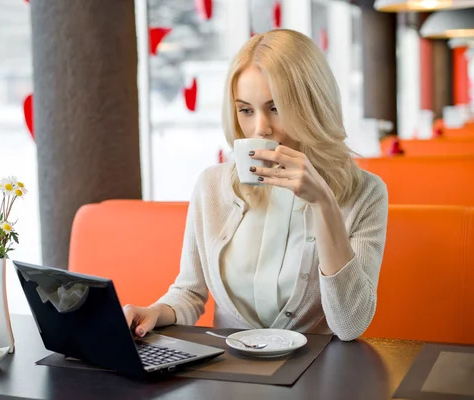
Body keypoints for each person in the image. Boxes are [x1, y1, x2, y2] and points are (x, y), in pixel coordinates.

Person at [123, 29, 388, 342]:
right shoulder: (211, 186)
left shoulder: (365, 193)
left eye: (275, 108)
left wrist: (324, 204)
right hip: (228, 371)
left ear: (311, 104)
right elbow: (189, 294)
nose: (260, 127)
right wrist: (155, 311)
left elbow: (350, 325)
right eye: (246, 110)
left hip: (314, 375)